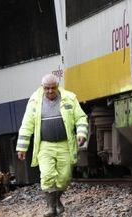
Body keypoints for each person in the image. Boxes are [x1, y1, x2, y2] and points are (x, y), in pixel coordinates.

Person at [16, 74, 88, 216]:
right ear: (42, 87)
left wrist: (81, 133)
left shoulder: (69, 98)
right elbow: (26, 125)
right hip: (45, 145)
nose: (49, 91)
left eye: (52, 88)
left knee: (65, 177)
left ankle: (56, 201)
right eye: (46, 88)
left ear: (58, 86)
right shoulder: (34, 102)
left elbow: (80, 117)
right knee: (47, 175)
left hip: (65, 144)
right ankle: (51, 208)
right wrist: (22, 147)